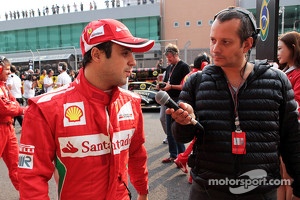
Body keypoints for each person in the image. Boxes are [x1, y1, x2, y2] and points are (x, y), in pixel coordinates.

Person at [166, 6, 300, 200]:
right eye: (213, 40)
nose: (215, 49)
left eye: (225, 42)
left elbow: (292, 138)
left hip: (260, 190)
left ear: (247, 44)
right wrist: (184, 121)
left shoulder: (276, 81)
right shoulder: (196, 82)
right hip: (208, 189)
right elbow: (181, 136)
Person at [18, 18, 154, 200]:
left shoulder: (132, 102)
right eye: (125, 53)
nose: (133, 62)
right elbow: (31, 179)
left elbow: (137, 154)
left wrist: (143, 192)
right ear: (96, 55)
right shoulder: (45, 109)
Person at [174, 52, 210, 183]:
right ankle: (183, 159)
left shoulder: (188, 76)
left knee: (195, 141)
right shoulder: (201, 77)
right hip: (198, 115)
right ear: (204, 64)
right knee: (198, 142)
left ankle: (183, 159)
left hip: (185, 110)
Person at [277, 31, 300, 200]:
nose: (278, 52)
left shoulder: (297, 74)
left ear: (293, 49)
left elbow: (296, 104)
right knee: (281, 176)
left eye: (280, 48)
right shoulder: (285, 72)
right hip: (280, 130)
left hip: (292, 131)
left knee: (289, 176)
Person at [160, 43, 190, 163]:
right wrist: (162, 86)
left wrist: (171, 86)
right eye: (167, 57)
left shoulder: (184, 67)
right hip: (168, 100)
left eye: (170, 57)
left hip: (178, 100)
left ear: (176, 54)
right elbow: (167, 82)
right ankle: (173, 155)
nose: (168, 59)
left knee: (177, 128)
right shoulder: (169, 67)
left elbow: (185, 85)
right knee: (169, 129)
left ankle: (182, 155)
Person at [0, 56, 26, 191]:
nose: (9, 72)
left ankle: (25, 193)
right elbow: (4, 108)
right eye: (7, 69)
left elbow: (13, 103)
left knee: (17, 164)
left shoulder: (3, 86)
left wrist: (15, 107)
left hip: (8, 128)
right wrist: (20, 109)